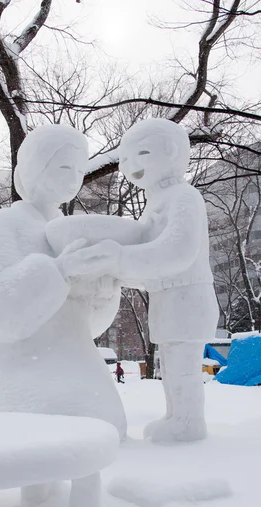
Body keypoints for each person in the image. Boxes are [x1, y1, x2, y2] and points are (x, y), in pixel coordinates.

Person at [0, 124, 127, 442]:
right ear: (34, 169)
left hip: (71, 363)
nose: (74, 177)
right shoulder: (3, 225)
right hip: (15, 370)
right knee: (60, 437)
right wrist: (57, 272)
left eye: (79, 169)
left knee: (104, 432)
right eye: (63, 166)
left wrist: (101, 292)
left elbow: (84, 327)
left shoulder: (71, 233)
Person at [60, 118, 219, 443]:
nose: (131, 166)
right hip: (170, 298)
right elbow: (150, 266)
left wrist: (116, 257)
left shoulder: (183, 197)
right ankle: (178, 417)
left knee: (183, 369)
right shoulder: (157, 203)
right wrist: (113, 269)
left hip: (188, 298)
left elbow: (176, 252)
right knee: (172, 366)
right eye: (126, 158)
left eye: (142, 153)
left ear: (172, 152)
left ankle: (188, 422)